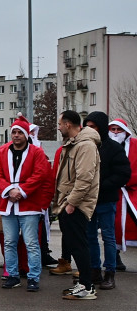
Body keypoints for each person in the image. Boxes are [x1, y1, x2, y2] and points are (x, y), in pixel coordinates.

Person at [0, 116, 53, 291]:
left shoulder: (36, 153)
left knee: (31, 243)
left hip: (29, 204)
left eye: (20, 132)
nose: (16, 135)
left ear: (26, 135)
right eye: (14, 132)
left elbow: (40, 174)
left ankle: (33, 277)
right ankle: (13, 275)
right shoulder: (2, 151)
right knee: (9, 242)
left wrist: (22, 191)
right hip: (8, 203)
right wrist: (9, 190)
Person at [54, 110, 101, 300]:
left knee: (80, 246)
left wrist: (71, 204)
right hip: (69, 202)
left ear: (68, 124)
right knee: (76, 245)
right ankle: (84, 284)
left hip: (77, 204)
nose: (58, 127)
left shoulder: (86, 146)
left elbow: (84, 179)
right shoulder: (74, 144)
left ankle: (87, 287)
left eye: (60, 124)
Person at [81, 112, 130, 290]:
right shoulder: (84, 146)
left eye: (93, 127)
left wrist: (101, 186)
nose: (89, 130)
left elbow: (123, 173)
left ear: (100, 127)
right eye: (87, 127)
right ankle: (94, 270)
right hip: (88, 201)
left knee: (108, 237)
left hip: (106, 200)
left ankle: (110, 272)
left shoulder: (113, 148)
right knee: (90, 236)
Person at [108, 118, 137, 272]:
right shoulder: (105, 146)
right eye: (112, 129)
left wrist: (127, 180)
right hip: (112, 191)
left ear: (125, 131)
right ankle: (114, 257)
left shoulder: (135, 145)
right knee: (112, 226)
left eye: (118, 129)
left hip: (133, 191)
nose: (115, 133)